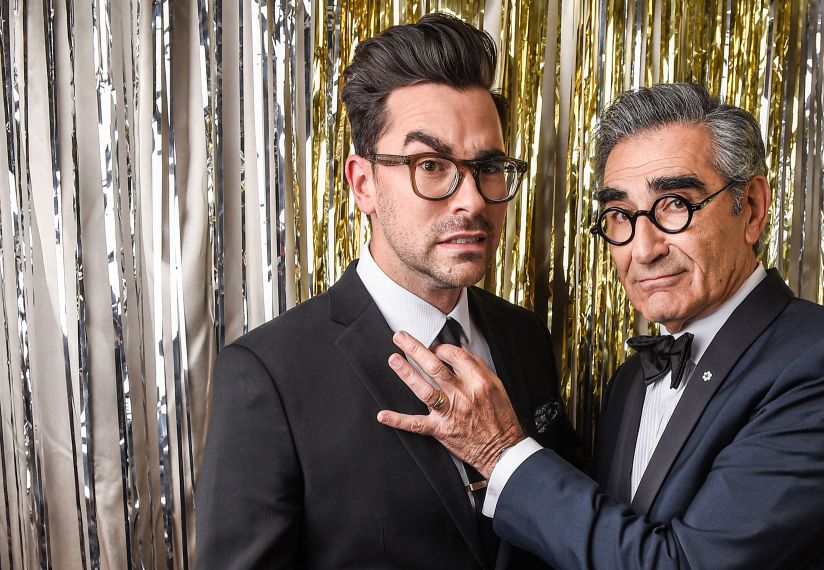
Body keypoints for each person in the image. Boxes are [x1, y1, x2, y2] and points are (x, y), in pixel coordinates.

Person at [378, 82, 824, 569]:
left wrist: (501, 453)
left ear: (753, 208)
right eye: (621, 216)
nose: (643, 249)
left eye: (676, 204)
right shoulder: (630, 381)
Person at [196, 13, 581, 569]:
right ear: (364, 183)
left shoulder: (525, 338)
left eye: (489, 166)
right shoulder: (266, 376)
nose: (471, 200)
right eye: (431, 164)